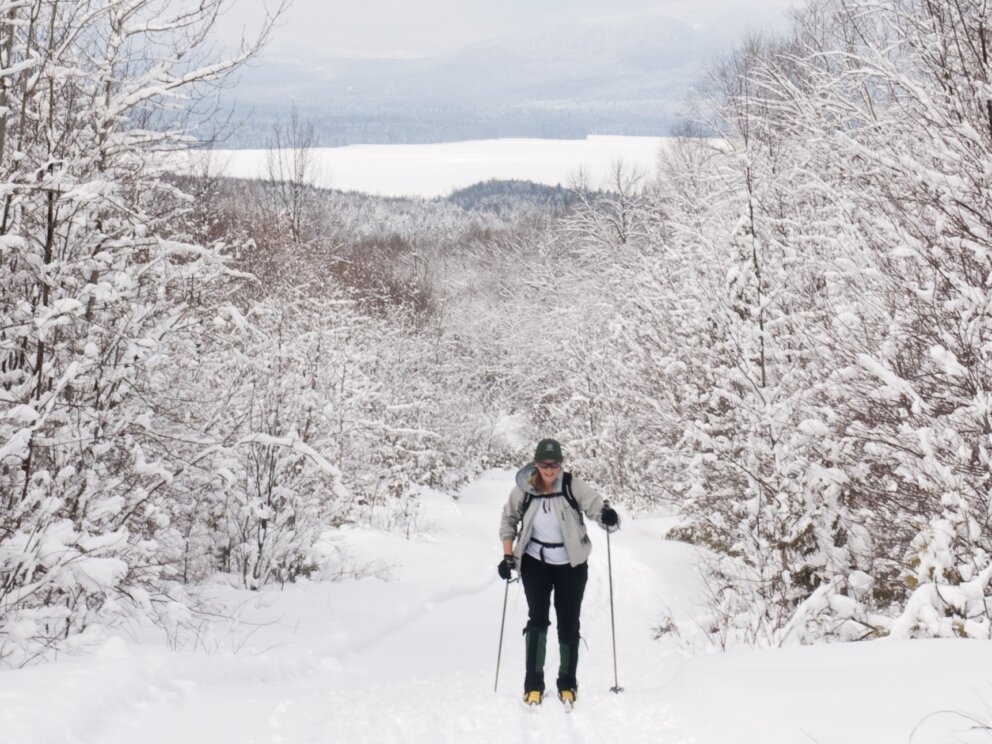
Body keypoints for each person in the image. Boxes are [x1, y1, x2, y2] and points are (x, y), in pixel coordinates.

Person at [497, 438, 619, 707]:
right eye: (544, 464)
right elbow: (508, 520)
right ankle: (533, 685)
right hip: (534, 563)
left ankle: (567, 684)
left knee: (569, 622)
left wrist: (608, 517)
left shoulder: (572, 486)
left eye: (554, 464)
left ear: (560, 463)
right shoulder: (524, 489)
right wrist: (507, 556)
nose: (550, 470)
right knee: (537, 620)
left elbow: (596, 507)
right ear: (536, 463)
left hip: (571, 565)